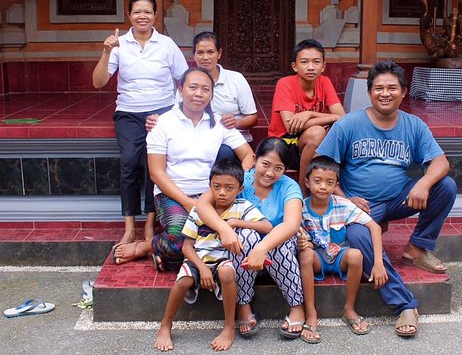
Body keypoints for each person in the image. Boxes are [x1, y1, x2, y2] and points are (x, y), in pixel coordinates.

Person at [316, 60, 457, 275]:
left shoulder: (414, 125)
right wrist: (344, 199)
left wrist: (424, 183)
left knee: (445, 186)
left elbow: (441, 161)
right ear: (370, 92)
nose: (385, 94)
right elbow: (320, 165)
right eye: (378, 88)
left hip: (397, 199)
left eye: (392, 88)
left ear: (403, 92)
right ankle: (380, 262)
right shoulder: (348, 124)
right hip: (360, 203)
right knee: (357, 239)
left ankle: (417, 250)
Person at [112, 68, 255, 269]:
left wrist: (235, 182)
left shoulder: (219, 123)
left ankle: (161, 255)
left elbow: (248, 155)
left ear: (211, 94)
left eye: (205, 89)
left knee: (227, 235)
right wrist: (187, 202)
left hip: (210, 193)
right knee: (181, 236)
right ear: (180, 89)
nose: (199, 94)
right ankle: (147, 247)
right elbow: (156, 172)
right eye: (193, 87)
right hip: (172, 193)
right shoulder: (162, 123)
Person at [93, 0, 188, 246]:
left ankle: (148, 224)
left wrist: (173, 111)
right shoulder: (119, 45)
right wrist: (105, 52)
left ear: (155, 15)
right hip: (128, 113)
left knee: (152, 165)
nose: (142, 16)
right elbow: (98, 82)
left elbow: (186, 80)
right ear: (129, 15)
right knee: (129, 162)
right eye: (137, 12)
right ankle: (128, 227)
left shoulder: (167, 45)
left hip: (162, 113)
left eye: (147, 11)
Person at [154, 160, 272, 352]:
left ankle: (228, 328)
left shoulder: (242, 207)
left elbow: (267, 226)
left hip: (223, 260)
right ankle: (166, 324)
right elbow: (187, 247)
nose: (222, 192)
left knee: (226, 272)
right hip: (197, 259)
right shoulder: (199, 210)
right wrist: (202, 268)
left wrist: (237, 223)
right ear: (210, 187)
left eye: (229, 188)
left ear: (240, 188)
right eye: (216, 187)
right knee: (183, 280)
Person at [195, 137, 306, 339]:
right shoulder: (241, 180)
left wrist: (262, 248)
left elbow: (291, 225)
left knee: (277, 242)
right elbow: (202, 205)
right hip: (243, 251)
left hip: (279, 250)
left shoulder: (289, 187)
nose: (270, 173)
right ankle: (243, 304)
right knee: (245, 235)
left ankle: (297, 305)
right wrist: (225, 229)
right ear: (255, 159)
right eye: (265, 164)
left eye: (279, 168)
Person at [297, 156, 385, 344]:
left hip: (339, 257)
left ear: (336, 184)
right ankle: (311, 313)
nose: (323, 187)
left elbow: (374, 227)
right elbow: (296, 234)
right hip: (317, 259)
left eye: (329, 183)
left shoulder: (342, 204)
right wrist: (304, 243)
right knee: (304, 254)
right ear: (307, 182)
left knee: (356, 255)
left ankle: (349, 309)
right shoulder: (301, 208)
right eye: (317, 181)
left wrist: (378, 263)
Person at [146, 31, 258, 161]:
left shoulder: (236, 79)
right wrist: (158, 120)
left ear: (219, 53)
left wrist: (236, 122)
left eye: (210, 52)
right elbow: (177, 113)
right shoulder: (187, 81)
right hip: (197, 137)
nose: (205, 57)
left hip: (233, 141)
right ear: (194, 55)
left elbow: (253, 117)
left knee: (222, 152)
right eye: (200, 53)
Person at [267, 39, 345, 195]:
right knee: (317, 132)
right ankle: (303, 192)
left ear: (323, 67)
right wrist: (330, 118)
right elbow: (290, 126)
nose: (310, 67)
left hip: (311, 144)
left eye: (316, 62)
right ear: (295, 66)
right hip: (284, 144)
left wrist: (309, 113)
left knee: (327, 133)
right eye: (304, 62)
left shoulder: (325, 82)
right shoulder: (285, 83)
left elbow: (342, 117)